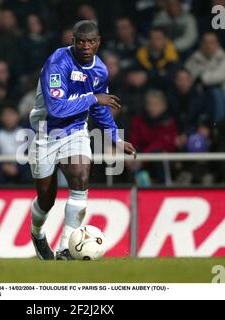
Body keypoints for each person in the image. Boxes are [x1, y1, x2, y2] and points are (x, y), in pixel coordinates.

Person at [28, 20, 136, 260]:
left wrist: (114, 136)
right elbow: (56, 108)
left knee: (80, 178)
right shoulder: (57, 64)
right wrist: (93, 98)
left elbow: (99, 109)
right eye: (81, 41)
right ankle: (37, 233)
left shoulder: (100, 70)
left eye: (91, 41)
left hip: (76, 131)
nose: (86, 46)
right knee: (46, 200)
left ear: (98, 42)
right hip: (46, 133)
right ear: (72, 41)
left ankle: (66, 248)